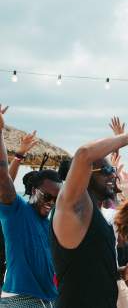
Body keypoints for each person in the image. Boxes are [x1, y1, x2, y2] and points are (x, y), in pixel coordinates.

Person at [51, 122, 128, 308]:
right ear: (86, 174)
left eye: (113, 170)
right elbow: (83, 154)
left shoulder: (98, 215)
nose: (112, 176)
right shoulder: (73, 208)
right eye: (106, 171)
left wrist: (122, 272)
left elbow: (88, 268)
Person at [0, 106, 59, 307]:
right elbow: (3, 178)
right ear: (34, 191)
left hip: (44, 298)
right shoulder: (18, 211)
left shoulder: (49, 223)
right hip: (19, 298)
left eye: (56, 198)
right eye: (47, 196)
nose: (51, 202)